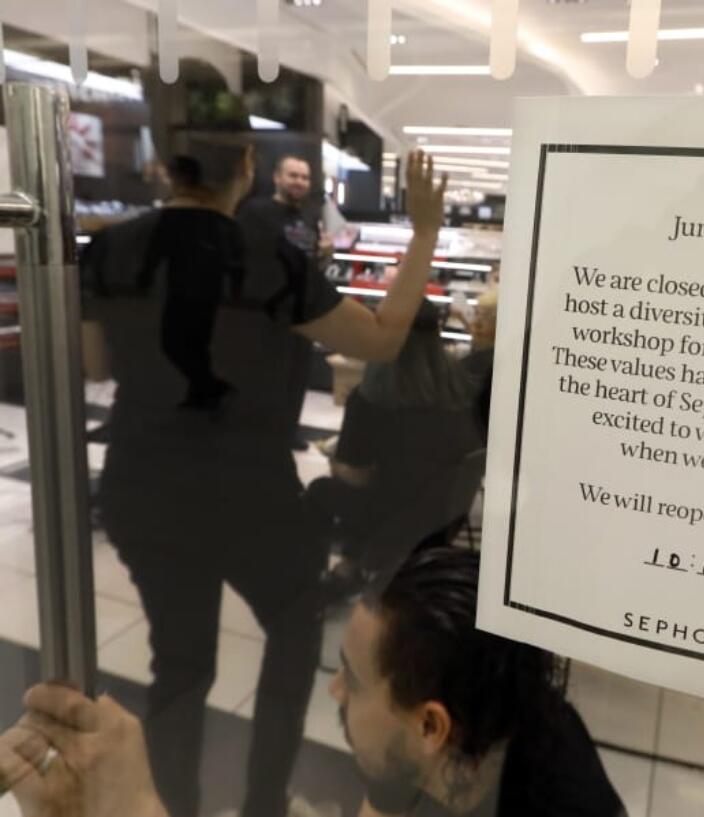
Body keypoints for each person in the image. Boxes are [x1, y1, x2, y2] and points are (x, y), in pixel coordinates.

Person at [78, 65, 449, 817]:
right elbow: (379, 342)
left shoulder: (109, 252)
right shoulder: (270, 259)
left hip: (143, 485)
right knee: (291, 624)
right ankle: (261, 802)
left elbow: (93, 365)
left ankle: (174, 803)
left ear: (163, 161)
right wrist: (425, 230)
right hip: (252, 493)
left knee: (180, 662)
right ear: (246, 166)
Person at [0, 549, 626, 817]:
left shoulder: (555, 797)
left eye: (351, 681)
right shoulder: (436, 743)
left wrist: (136, 808)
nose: (335, 694)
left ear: (430, 724)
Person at [310, 300, 484, 599]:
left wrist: (336, 460)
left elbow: (354, 477)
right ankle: (354, 567)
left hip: (391, 519)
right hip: (446, 517)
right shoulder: (464, 387)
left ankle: (317, 583)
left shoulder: (371, 400)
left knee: (322, 490)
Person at [236, 154, 334, 452]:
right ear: (277, 178)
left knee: (296, 376)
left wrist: (325, 254)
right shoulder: (256, 212)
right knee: (266, 377)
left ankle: (287, 432)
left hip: (301, 312)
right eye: (293, 175)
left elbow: (313, 265)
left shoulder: (308, 217)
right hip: (266, 314)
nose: (299, 182)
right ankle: (260, 435)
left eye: (304, 177)